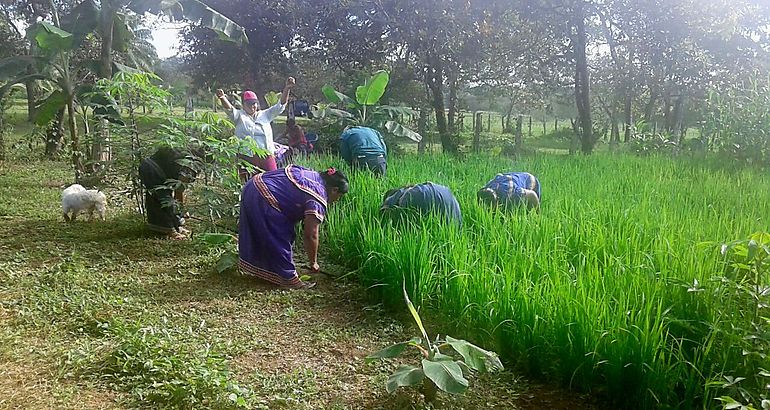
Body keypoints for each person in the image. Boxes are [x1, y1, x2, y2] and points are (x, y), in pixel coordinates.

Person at [238, 165, 349, 289]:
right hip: (264, 196)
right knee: (279, 236)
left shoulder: (313, 176)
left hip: (253, 185)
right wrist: (313, 262)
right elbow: (310, 235)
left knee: (266, 234)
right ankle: (288, 279)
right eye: (339, 197)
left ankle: (263, 270)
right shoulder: (318, 197)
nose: (337, 200)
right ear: (334, 190)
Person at [215, 77, 295, 180]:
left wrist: (287, 88)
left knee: (272, 181)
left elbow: (280, 105)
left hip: (266, 156)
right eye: (249, 104)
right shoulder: (239, 116)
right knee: (248, 184)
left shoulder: (265, 115)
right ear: (243, 105)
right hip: (246, 156)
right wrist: (222, 97)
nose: (253, 106)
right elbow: (229, 109)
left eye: (254, 103)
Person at [138, 146, 196, 239]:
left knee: (164, 198)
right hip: (151, 170)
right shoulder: (189, 164)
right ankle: (169, 230)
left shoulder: (187, 155)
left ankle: (176, 227)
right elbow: (179, 189)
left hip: (155, 170)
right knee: (164, 200)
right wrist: (181, 210)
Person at [380, 182, 462, 226]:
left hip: (421, 196)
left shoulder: (397, 194)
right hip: (450, 198)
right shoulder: (414, 188)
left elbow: (384, 208)